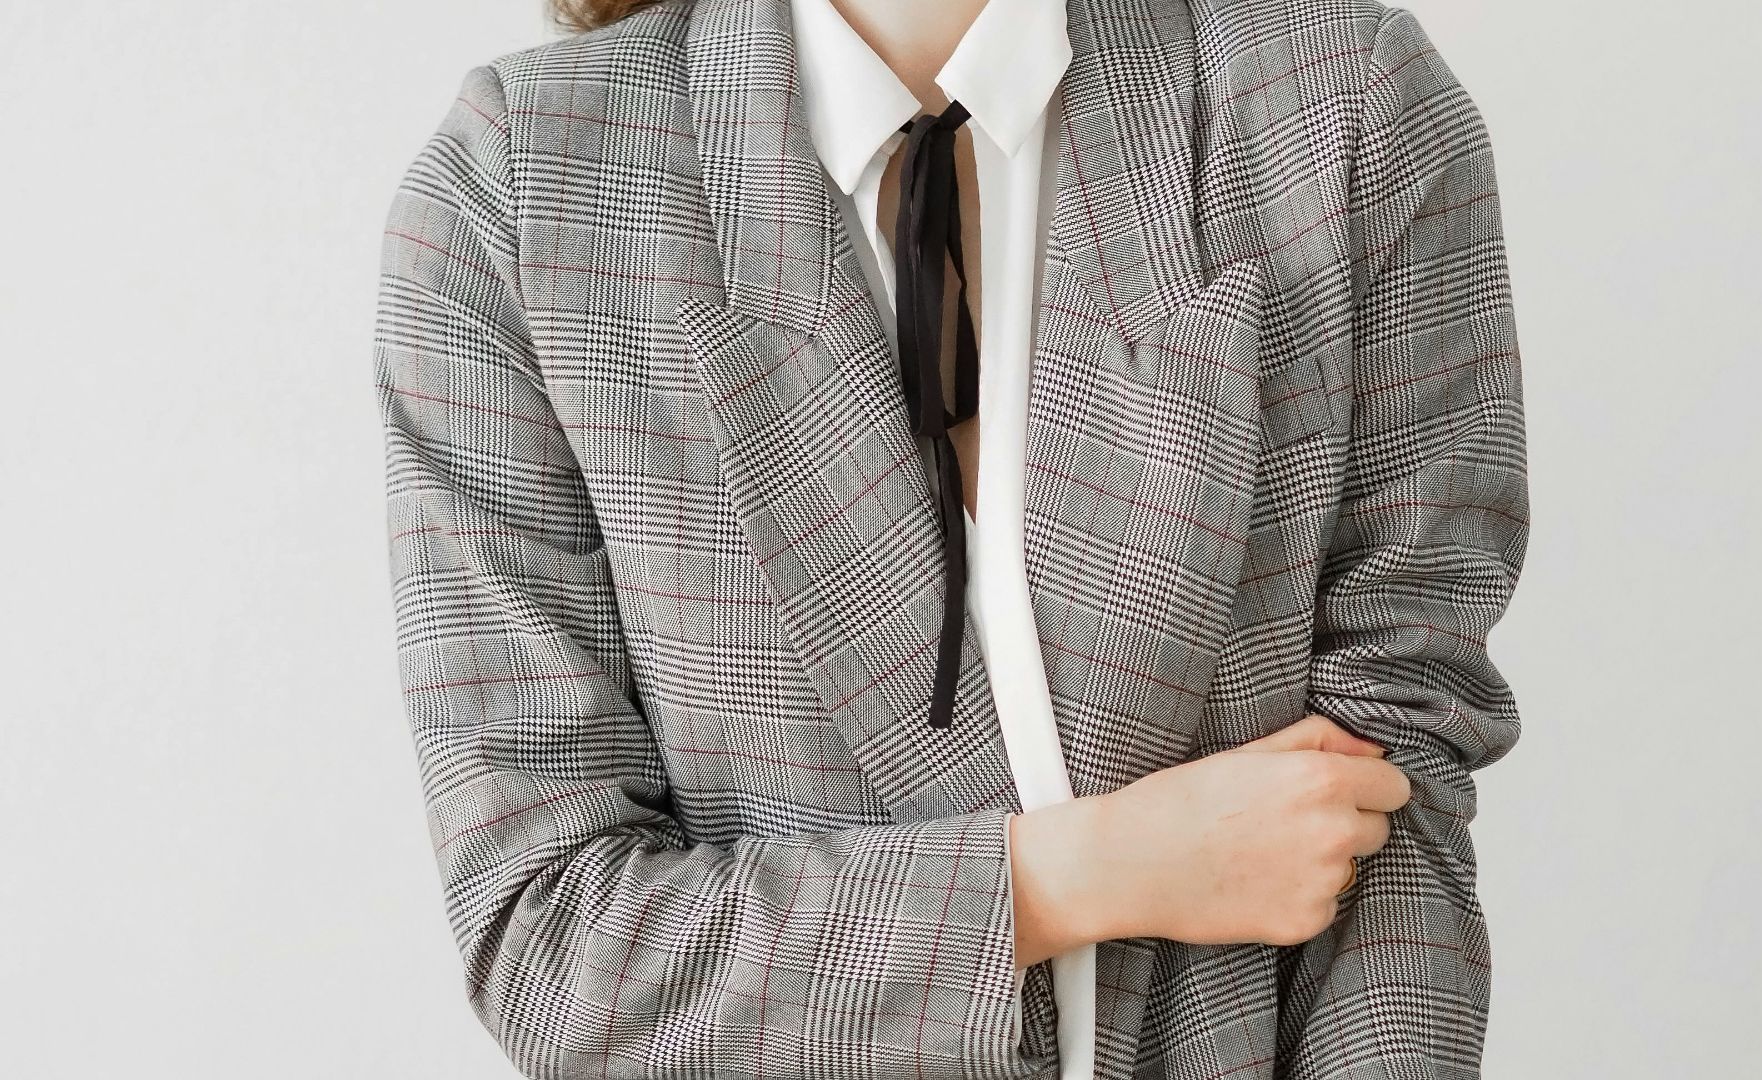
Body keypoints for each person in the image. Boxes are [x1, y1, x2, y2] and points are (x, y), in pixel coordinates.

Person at [369, 0, 1530, 1076]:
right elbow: (556, 945)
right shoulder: (520, 193)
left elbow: (1392, 790)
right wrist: (1079, 877)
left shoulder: (1344, 108)